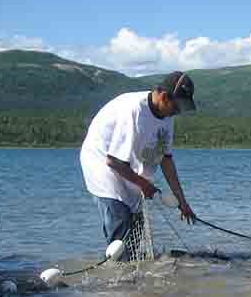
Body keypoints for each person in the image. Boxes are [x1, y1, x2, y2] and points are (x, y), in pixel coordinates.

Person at [80, 71, 197, 254]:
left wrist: (182, 201)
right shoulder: (134, 111)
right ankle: (118, 273)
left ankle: (132, 269)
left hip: (128, 166)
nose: (178, 111)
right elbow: (114, 162)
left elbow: (166, 159)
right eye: (177, 106)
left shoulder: (167, 116)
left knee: (136, 223)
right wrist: (145, 185)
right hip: (102, 164)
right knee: (120, 221)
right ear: (164, 97)